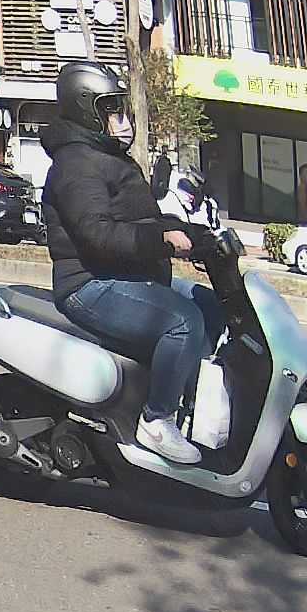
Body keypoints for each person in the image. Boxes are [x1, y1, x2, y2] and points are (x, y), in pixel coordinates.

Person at [40, 61, 225, 465]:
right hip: (88, 284)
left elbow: (139, 220)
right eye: (112, 109)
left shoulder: (108, 157)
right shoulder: (77, 164)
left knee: (214, 308)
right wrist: (160, 241)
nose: (123, 118)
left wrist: (193, 234)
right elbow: (98, 234)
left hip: (126, 273)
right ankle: (157, 420)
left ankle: (192, 400)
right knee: (183, 321)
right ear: (87, 110)